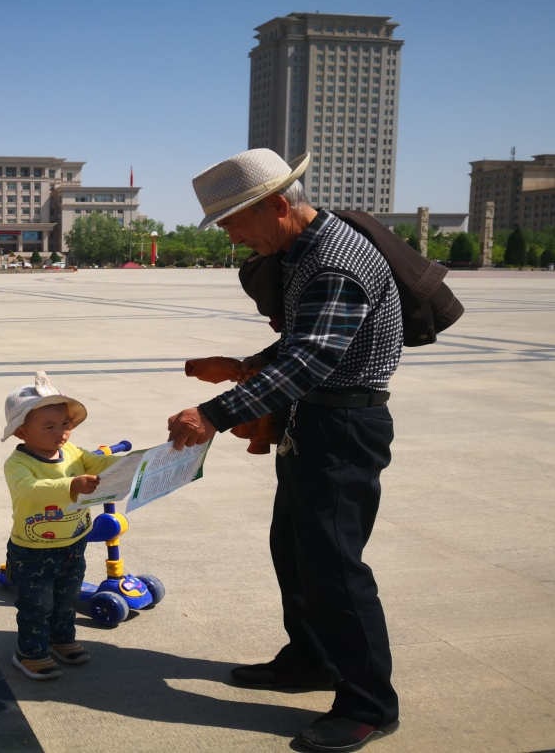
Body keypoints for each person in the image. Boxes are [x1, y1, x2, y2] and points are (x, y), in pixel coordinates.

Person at [167, 149, 402, 753]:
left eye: (233, 223)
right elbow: (308, 340)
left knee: (335, 568)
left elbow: (312, 358)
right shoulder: (303, 251)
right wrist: (244, 365)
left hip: (343, 429)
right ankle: (312, 659)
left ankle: (369, 704)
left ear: (276, 205)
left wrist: (214, 414)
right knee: (295, 551)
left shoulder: (335, 260)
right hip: (313, 421)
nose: (232, 238)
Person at [1, 372, 121, 680]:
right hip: (33, 549)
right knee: (36, 604)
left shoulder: (72, 451)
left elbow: (100, 464)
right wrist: (72, 485)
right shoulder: (18, 464)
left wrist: (136, 462)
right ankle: (29, 652)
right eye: (49, 426)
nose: (62, 432)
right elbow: (31, 489)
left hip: (74, 542)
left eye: (65, 424)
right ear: (21, 432)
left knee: (68, 598)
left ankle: (61, 639)